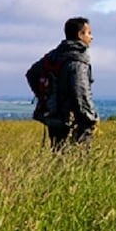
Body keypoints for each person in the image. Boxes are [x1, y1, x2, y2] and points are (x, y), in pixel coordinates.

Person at [45, 17, 99, 150]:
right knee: (79, 161)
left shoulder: (55, 55)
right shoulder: (78, 61)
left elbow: (32, 73)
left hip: (55, 117)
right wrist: (91, 118)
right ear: (80, 35)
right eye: (89, 33)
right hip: (74, 120)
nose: (92, 37)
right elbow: (80, 92)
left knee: (58, 158)